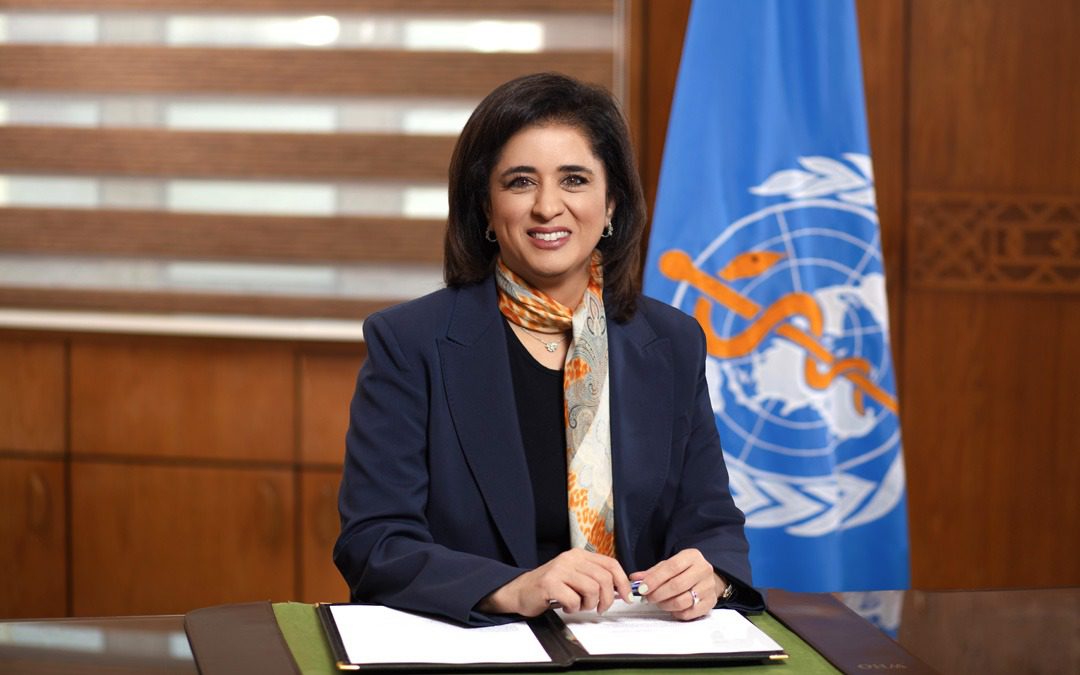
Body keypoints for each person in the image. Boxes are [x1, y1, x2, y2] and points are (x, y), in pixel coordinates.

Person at [334, 72, 764, 626]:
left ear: (611, 204)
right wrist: (514, 588)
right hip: (479, 644)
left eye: (575, 179)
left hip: (632, 642)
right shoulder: (411, 342)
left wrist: (712, 573)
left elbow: (711, 522)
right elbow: (374, 543)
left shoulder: (673, 343)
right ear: (486, 208)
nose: (547, 206)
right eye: (519, 182)